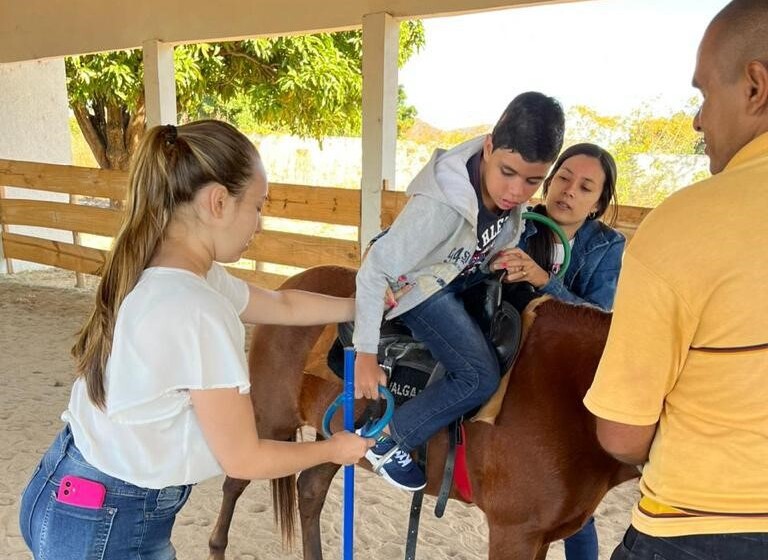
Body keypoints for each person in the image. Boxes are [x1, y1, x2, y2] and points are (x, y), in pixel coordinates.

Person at [18, 120, 373, 560]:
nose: (259, 225)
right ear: (218, 202)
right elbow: (243, 458)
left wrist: (359, 306)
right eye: (257, 207)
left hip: (70, 489)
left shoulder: (169, 271)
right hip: (109, 523)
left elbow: (282, 307)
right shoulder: (197, 310)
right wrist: (334, 448)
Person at [583, 1, 768, 558]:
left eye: (704, 94)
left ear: (755, 87)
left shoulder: (682, 225)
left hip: (699, 526)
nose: (698, 119)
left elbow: (621, 433)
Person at [353, 91, 565, 491]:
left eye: (533, 181)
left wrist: (501, 259)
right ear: (488, 147)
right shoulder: (441, 207)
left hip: (461, 275)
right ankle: (388, 439)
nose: (517, 191)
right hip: (424, 289)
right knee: (478, 375)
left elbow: (482, 240)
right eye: (507, 172)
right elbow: (374, 271)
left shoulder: (506, 193)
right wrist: (365, 354)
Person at [494, 142, 623, 560]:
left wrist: (543, 281)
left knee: (570, 491)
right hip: (515, 347)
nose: (569, 191)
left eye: (586, 187)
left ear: (598, 202)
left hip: (568, 374)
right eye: (564, 178)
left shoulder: (608, 245)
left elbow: (599, 317)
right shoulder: (518, 221)